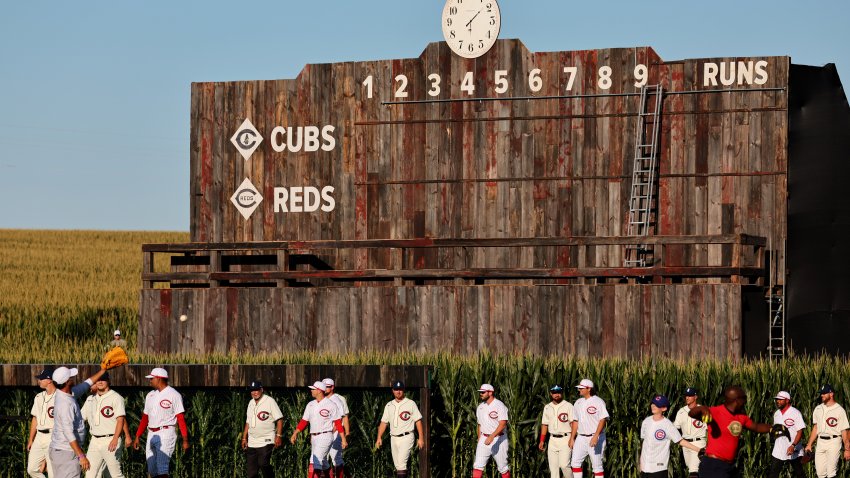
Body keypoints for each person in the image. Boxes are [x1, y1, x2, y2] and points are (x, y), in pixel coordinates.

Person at [688, 385, 772, 478]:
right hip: (713, 465)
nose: (745, 402)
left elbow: (756, 427)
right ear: (737, 400)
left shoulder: (741, 417)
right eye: (744, 398)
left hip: (729, 467)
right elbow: (692, 413)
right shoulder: (715, 412)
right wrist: (702, 408)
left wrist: (772, 428)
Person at [132, 367, 190, 478]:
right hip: (151, 433)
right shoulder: (150, 395)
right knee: (152, 469)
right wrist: (138, 436)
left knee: (162, 468)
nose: (150, 381)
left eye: (151, 378)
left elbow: (180, 418)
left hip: (166, 432)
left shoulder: (174, 394)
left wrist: (185, 439)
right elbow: (145, 418)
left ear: (158, 379)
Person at [290, 381, 347, 478]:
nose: (311, 390)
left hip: (325, 436)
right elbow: (304, 421)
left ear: (320, 391)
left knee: (315, 461)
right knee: (324, 463)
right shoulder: (310, 404)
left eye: (313, 389)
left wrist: (343, 438)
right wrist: (295, 433)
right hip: (314, 437)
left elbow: (338, 422)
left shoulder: (331, 404)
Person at [81, 372, 132, 478]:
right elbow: (80, 418)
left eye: (103, 379)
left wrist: (115, 438)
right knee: (90, 474)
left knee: (115, 475)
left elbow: (120, 420)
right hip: (94, 440)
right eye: (98, 380)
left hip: (110, 439)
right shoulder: (90, 399)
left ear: (108, 381)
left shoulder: (116, 397)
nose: (100, 382)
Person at [49, 367, 97, 478]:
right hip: (67, 452)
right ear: (67, 382)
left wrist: (103, 369)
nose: (73, 378)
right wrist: (81, 456)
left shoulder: (66, 393)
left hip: (60, 451)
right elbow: (68, 433)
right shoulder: (65, 404)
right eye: (70, 377)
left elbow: (86, 384)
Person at [639, 395, 701, 478]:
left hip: (658, 469)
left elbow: (680, 441)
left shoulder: (668, 425)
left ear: (664, 408)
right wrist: (640, 463)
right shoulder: (646, 422)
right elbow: (644, 443)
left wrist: (699, 449)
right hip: (644, 468)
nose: (653, 406)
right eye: (653, 403)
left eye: (657, 405)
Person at [375, 380, 424, 478]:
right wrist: (379, 437)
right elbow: (384, 422)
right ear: (393, 391)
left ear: (404, 390)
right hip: (393, 437)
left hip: (407, 436)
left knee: (401, 463)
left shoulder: (410, 403)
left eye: (400, 389)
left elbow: (418, 421)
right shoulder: (389, 405)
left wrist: (421, 438)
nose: (398, 391)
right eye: (396, 389)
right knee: (398, 466)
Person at [804, 384, 850, 478]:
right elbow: (816, 428)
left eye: (824, 393)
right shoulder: (818, 408)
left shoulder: (839, 410)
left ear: (831, 394)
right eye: (821, 393)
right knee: (820, 473)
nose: (822, 395)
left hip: (834, 441)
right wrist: (809, 444)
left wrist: (847, 449)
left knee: (831, 473)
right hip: (820, 442)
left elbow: (844, 431)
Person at [241, 380, 284, 478]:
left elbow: (280, 419)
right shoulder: (250, 403)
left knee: (263, 463)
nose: (254, 392)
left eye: (256, 390)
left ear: (261, 390)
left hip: (266, 439)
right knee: (251, 473)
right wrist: (244, 438)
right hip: (252, 441)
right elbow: (248, 422)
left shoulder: (269, 401)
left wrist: (279, 436)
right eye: (252, 390)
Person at [570, 379, 609, 478]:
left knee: (597, 467)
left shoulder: (598, 401)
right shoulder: (578, 402)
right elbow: (575, 421)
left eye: (582, 388)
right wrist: (572, 438)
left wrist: (596, 436)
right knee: (575, 463)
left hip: (596, 437)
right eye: (579, 388)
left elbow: (603, 419)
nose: (579, 389)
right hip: (581, 437)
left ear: (589, 389)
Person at [472, 383, 511, 478]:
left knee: (503, 468)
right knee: (477, 466)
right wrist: (479, 439)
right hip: (484, 438)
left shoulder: (499, 405)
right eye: (480, 392)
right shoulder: (480, 407)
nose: (481, 394)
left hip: (499, 439)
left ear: (490, 392)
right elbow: (479, 425)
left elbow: (503, 424)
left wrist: (492, 436)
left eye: (483, 392)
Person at [539, 384, 577, 478]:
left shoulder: (568, 406)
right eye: (555, 393)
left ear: (562, 393)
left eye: (559, 392)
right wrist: (542, 440)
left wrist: (572, 438)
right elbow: (544, 424)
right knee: (553, 469)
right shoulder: (547, 407)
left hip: (565, 438)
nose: (557, 395)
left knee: (564, 465)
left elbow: (574, 424)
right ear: (551, 394)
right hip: (552, 439)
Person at [768, 391, 805, 478]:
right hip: (779, 448)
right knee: (773, 474)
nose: (778, 401)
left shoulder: (795, 413)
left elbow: (800, 431)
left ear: (787, 400)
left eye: (781, 399)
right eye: (777, 399)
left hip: (793, 448)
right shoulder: (777, 414)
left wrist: (793, 445)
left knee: (800, 474)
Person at [27, 367, 56, 478]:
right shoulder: (38, 397)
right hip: (39, 436)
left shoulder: (59, 397)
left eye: (41, 379)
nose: (39, 381)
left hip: (53, 436)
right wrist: (31, 439)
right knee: (32, 469)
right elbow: (35, 419)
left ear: (49, 380)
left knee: (53, 472)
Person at [673, 387, 707, 478]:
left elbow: (709, 427)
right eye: (686, 396)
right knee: (691, 468)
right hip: (685, 444)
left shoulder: (703, 410)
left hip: (698, 443)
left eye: (690, 396)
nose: (687, 398)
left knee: (693, 470)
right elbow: (675, 427)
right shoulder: (681, 411)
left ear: (695, 397)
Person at [322, 378, 350, 478]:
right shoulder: (321, 399)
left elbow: (343, 417)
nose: (324, 388)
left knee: (336, 458)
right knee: (322, 458)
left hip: (336, 432)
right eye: (323, 386)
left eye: (327, 386)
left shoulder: (338, 399)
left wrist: (346, 433)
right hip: (324, 433)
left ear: (332, 387)